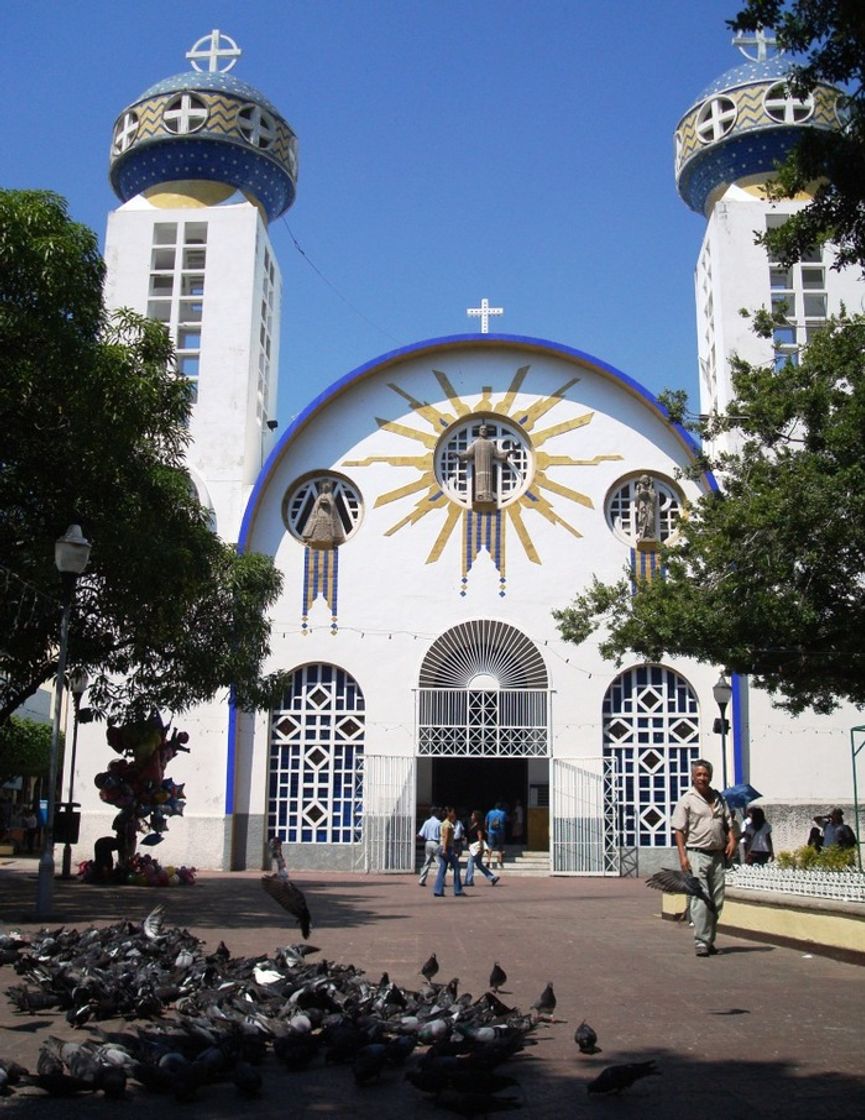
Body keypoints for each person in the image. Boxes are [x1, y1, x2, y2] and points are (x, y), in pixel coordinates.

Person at [671, 759, 736, 957]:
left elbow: (727, 823)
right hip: (696, 854)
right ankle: (701, 941)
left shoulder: (719, 798)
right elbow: (679, 830)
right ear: (692, 776)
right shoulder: (687, 800)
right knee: (701, 899)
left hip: (717, 855)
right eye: (698, 775)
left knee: (717, 900)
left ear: (710, 776)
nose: (702, 778)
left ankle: (709, 940)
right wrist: (683, 856)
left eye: (705, 775)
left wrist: (731, 839)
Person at [456, 424, 515, 504]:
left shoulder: (490, 444)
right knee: (479, 480)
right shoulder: (475, 443)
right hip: (479, 467)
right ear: (479, 431)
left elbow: (497, 454)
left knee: (487, 481)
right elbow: (468, 454)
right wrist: (458, 455)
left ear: (487, 432)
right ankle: (479, 497)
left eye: (485, 429)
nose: (483, 431)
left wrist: (507, 453)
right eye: (481, 429)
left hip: (488, 467)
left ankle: (488, 497)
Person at [433, 806, 466, 897]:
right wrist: (444, 849)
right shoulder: (448, 825)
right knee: (456, 867)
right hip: (448, 848)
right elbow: (446, 837)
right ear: (449, 813)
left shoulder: (443, 823)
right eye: (453, 812)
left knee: (442, 869)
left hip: (444, 848)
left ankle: (438, 890)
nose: (454, 814)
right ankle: (458, 890)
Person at [301, 480, 345, 548]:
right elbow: (316, 505)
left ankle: (329, 538)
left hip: (327, 514)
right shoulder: (320, 495)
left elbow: (332, 504)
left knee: (327, 526)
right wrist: (319, 503)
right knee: (318, 525)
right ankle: (315, 537)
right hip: (320, 513)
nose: (324, 489)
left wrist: (328, 503)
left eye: (325, 488)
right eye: (323, 488)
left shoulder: (329, 495)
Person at [464, 809, 499, 887]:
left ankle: (469, 881)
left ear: (476, 817)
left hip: (477, 847)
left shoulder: (478, 826)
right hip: (475, 847)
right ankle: (492, 878)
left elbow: (480, 837)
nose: (471, 816)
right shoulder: (475, 825)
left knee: (470, 862)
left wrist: (480, 847)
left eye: (473, 815)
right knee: (479, 864)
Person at [417, 806, 442, 887]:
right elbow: (442, 834)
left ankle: (422, 879)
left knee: (427, 862)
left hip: (428, 842)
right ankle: (441, 880)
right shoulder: (439, 822)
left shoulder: (426, 822)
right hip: (435, 843)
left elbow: (421, 834)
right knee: (439, 863)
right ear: (436, 813)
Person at [634, 474, 658, 541]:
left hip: (649, 507)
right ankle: (642, 534)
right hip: (642, 507)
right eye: (644, 479)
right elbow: (636, 501)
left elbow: (654, 499)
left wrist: (649, 493)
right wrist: (639, 493)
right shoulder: (639, 488)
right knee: (642, 519)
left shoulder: (651, 489)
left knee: (650, 518)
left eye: (647, 479)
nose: (646, 481)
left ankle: (649, 533)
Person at [485, 802, 507, 870]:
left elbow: (486, 821)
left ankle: (488, 860)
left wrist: (486, 829)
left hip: (491, 831)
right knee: (500, 846)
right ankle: (500, 860)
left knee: (490, 846)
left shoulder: (490, 812)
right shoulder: (503, 813)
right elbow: (505, 821)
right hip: (500, 832)